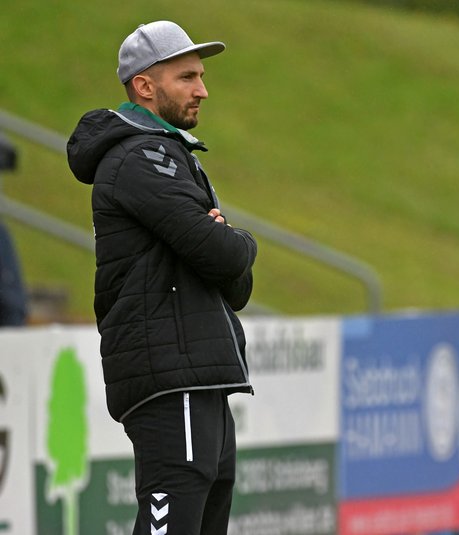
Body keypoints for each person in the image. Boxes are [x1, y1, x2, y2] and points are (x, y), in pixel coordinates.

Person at [67, 21, 257, 534]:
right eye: (187, 77)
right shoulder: (140, 156)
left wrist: (229, 249)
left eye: (201, 77)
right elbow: (226, 255)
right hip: (175, 379)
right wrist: (238, 241)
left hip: (199, 377)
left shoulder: (169, 154)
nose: (202, 90)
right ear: (145, 86)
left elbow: (237, 286)